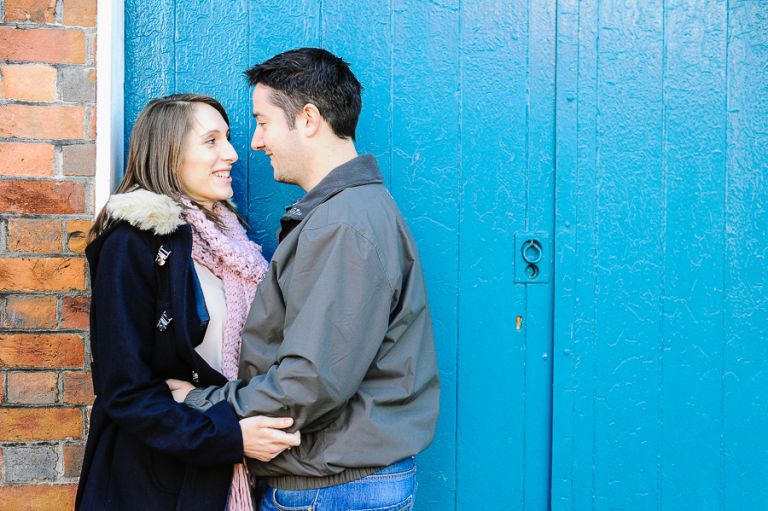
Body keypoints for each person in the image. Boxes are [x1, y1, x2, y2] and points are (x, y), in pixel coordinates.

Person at [167, 48, 440, 510]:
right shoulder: (345, 214)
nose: (255, 142)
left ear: (308, 118)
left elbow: (310, 383)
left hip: (334, 491)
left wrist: (200, 403)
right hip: (339, 483)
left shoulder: (343, 225)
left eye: (263, 121)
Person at [76, 94, 300, 511]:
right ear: (169, 154)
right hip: (156, 483)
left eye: (228, 138)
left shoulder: (234, 245)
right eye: (211, 141)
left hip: (227, 477)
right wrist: (231, 436)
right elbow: (124, 391)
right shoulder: (132, 243)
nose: (232, 153)